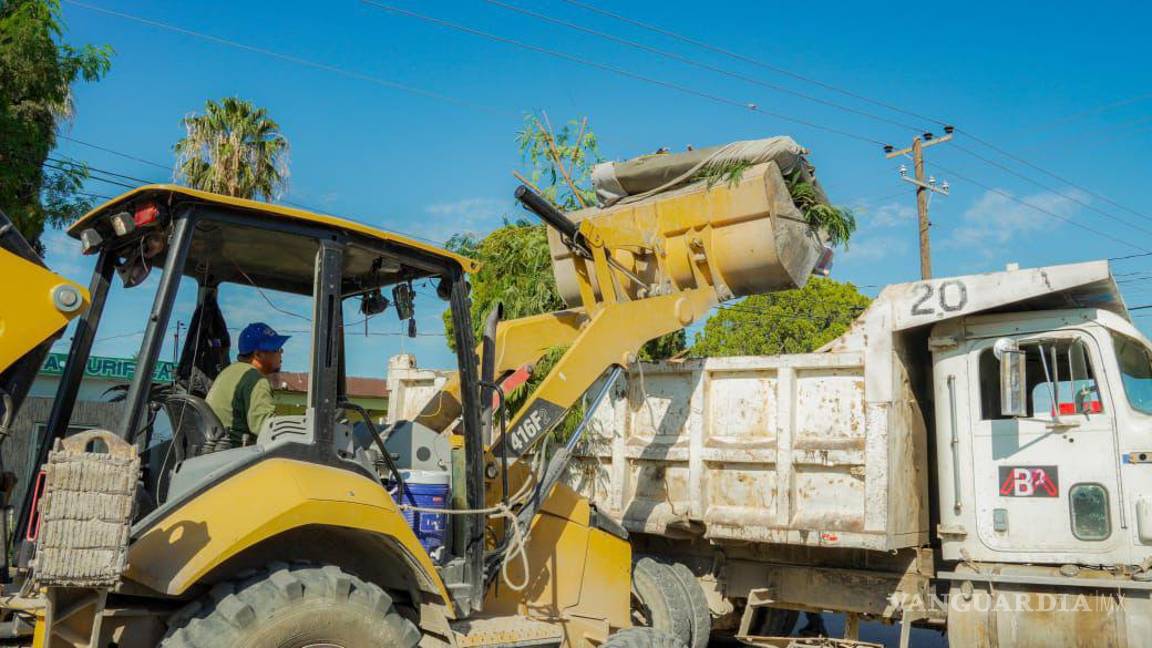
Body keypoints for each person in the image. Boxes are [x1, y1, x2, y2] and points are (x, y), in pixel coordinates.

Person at [205, 322, 288, 446]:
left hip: (215, 450)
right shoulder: (256, 380)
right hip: (233, 452)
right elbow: (267, 429)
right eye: (277, 349)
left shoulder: (228, 372)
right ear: (258, 354)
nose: (281, 353)